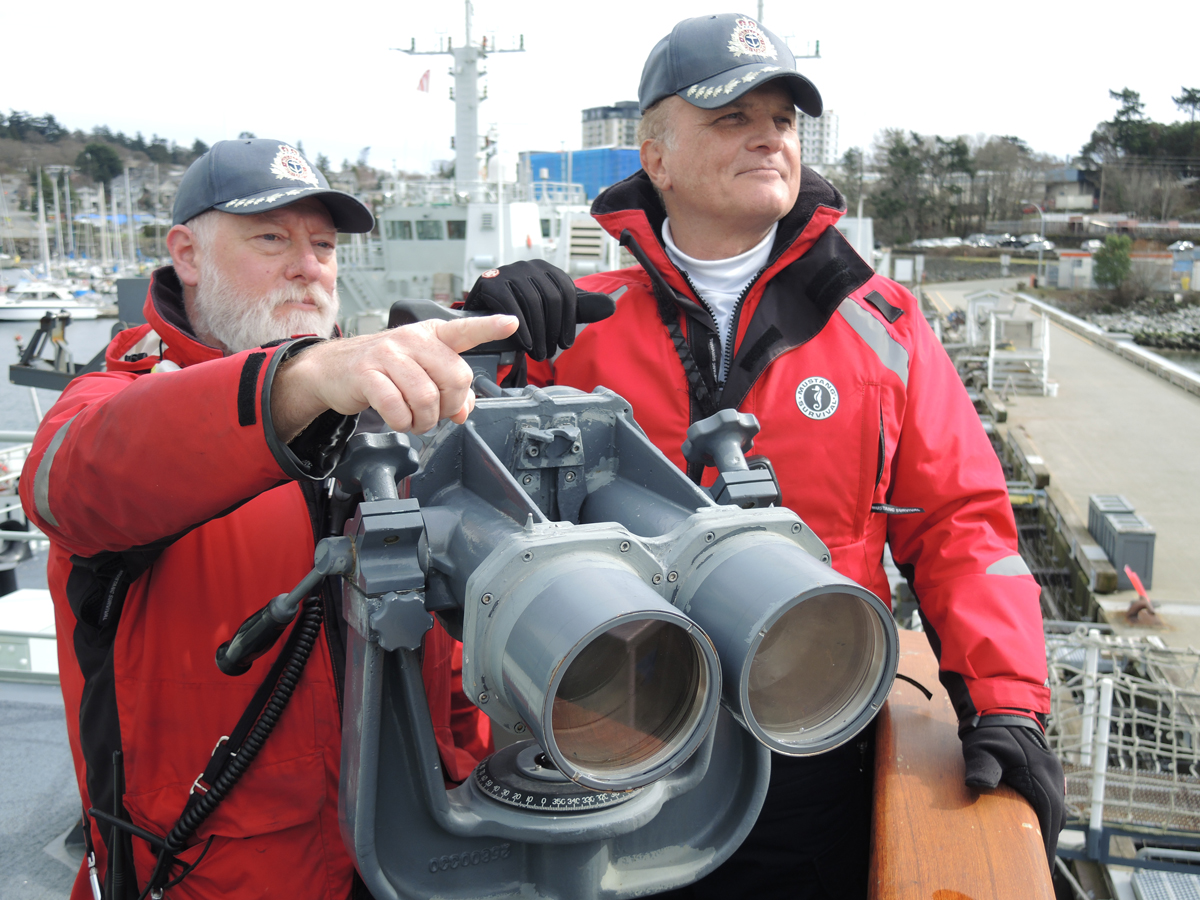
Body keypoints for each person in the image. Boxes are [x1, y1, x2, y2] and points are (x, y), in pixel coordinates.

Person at [463, 14, 1064, 898]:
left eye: (781, 119)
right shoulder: (570, 322)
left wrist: (1008, 704)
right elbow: (438, 465)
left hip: (811, 729)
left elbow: (962, 523)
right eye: (731, 117)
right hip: (603, 733)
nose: (768, 137)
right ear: (657, 155)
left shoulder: (881, 324)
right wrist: (480, 340)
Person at [20, 139, 518, 900]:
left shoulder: (385, 419)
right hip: (209, 876)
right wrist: (303, 379)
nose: (308, 265)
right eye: (271, 238)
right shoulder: (110, 404)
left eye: (323, 244)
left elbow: (450, 656)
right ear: (185, 252)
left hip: (409, 862)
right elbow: (76, 481)